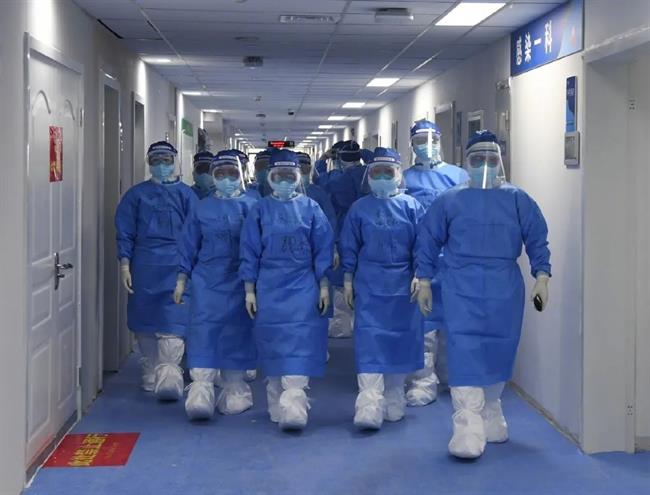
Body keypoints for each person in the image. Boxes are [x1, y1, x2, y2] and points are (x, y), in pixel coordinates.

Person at [416, 130, 551, 459]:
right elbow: (428, 240)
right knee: (464, 349)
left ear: (501, 161)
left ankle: (491, 410)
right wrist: (424, 280)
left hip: (505, 289)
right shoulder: (449, 200)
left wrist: (542, 276)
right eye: (478, 159)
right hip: (460, 287)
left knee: (499, 349)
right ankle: (467, 424)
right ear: (467, 162)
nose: (485, 165)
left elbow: (537, 238)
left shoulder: (518, 199)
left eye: (492, 159)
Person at [240, 148, 334, 431]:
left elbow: (323, 248)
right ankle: (275, 402)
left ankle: (294, 401)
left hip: (303, 286)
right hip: (268, 286)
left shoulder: (311, 208)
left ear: (298, 177)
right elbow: (249, 250)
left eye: (289, 176)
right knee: (272, 342)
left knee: (300, 341)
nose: (284, 181)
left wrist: (324, 285)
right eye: (278, 176)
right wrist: (249, 289)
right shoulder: (260, 209)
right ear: (270, 177)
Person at [340, 147, 425, 430]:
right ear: (368, 175)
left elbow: (423, 245)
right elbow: (349, 245)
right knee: (369, 340)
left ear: (398, 174)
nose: (382, 177)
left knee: (399, 342)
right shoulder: (359, 209)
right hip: (370, 285)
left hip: (404, 287)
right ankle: (369, 401)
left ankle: (394, 396)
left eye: (388, 172)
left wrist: (420, 274)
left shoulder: (412, 207)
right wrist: (348, 279)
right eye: (377, 172)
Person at [175, 151, 258, 420]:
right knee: (203, 329)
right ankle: (201, 388)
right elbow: (189, 244)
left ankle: (235, 387)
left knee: (237, 331)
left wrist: (254, 286)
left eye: (232, 174)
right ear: (212, 176)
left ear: (241, 175)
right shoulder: (202, 208)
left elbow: (261, 246)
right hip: (207, 280)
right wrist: (181, 278)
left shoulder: (253, 206)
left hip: (241, 281)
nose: (226, 179)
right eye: (220, 174)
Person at [115, 140, 197, 400]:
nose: (161, 165)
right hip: (144, 267)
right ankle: (151, 370)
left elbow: (196, 233)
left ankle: (170, 373)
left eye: (166, 160)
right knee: (145, 319)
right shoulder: (136, 195)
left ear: (175, 162)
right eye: (156, 161)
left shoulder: (187, 195)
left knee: (174, 318)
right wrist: (125, 263)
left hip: (178, 266)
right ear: (149, 163)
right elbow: (125, 231)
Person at [403, 121, 460, 407]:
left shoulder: (458, 176)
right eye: (420, 140)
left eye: (432, 139)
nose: (427, 145)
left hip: (453, 261)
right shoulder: (404, 179)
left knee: (454, 322)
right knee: (422, 325)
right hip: (419, 261)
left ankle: (454, 377)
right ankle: (422, 382)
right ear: (411, 145)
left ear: (440, 141)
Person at [326, 140, 368, 338]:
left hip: (344, 228)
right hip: (367, 230)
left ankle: (342, 325)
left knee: (343, 277)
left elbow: (330, 201)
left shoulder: (337, 179)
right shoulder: (368, 174)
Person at [411, 119, 469, 186]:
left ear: (439, 142)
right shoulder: (404, 178)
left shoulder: (458, 174)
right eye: (421, 141)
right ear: (412, 144)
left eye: (433, 140)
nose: (428, 145)